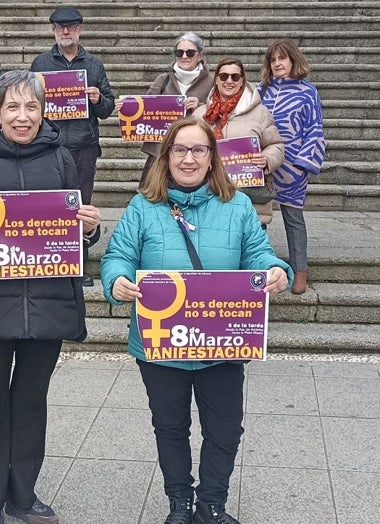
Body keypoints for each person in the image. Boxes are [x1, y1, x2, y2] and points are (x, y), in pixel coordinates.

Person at [100, 118, 293, 524]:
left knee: (225, 430)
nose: (189, 158)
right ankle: (179, 502)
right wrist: (116, 280)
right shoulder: (143, 206)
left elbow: (258, 254)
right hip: (160, 343)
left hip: (221, 343)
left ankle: (211, 503)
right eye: (180, 150)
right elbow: (118, 256)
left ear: (212, 157)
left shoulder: (237, 204)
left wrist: (276, 270)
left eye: (199, 150)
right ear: (166, 156)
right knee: (170, 427)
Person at [0, 70, 101, 524]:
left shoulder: (64, 159)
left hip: (46, 303)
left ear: (44, 110)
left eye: (31, 107)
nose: (22, 116)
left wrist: (89, 227)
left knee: (31, 402)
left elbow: (75, 229)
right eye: (13, 107)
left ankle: (23, 494)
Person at [30, 6, 114, 287]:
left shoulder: (94, 64)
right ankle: (49, 260)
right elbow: (30, 104)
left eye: (71, 27)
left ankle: (79, 263)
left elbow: (108, 109)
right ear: (53, 30)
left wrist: (98, 98)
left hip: (83, 147)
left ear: (80, 29)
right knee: (48, 206)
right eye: (60, 27)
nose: (65, 31)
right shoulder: (40, 63)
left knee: (81, 208)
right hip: (48, 147)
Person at [258, 38, 326, 294]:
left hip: (293, 165)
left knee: (293, 218)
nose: (277, 64)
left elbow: (315, 130)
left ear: (293, 60)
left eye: (282, 58)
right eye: (273, 60)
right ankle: (261, 267)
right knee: (257, 218)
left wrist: (302, 165)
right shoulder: (260, 90)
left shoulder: (308, 92)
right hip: (262, 163)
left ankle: (299, 270)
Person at [193, 58, 284, 227]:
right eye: (224, 76)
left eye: (235, 77)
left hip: (249, 203)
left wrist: (267, 159)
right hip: (207, 196)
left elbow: (276, 145)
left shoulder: (260, 113)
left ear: (242, 80)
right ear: (216, 80)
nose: (229, 81)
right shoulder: (200, 115)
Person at [115, 31, 214, 184]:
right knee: (152, 195)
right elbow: (145, 107)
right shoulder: (163, 79)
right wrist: (126, 107)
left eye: (190, 52)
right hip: (161, 151)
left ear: (200, 55)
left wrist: (200, 107)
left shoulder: (212, 82)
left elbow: (220, 113)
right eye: (179, 52)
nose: (184, 56)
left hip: (193, 152)